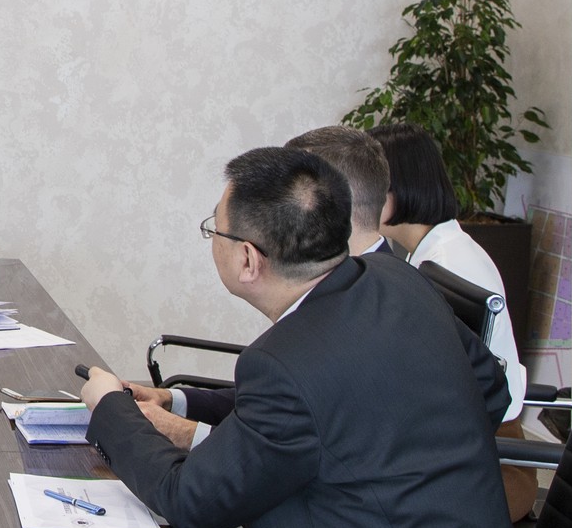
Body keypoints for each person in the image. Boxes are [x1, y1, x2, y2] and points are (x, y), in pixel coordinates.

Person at [80, 147, 544, 528]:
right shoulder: (396, 280)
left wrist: (108, 408)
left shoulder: (287, 362)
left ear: (248, 259)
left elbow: (189, 499)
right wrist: (182, 402)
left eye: (214, 229)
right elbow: (487, 390)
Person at [139, 125, 406, 447]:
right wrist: (177, 401)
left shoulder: (378, 312)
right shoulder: (368, 282)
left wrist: (175, 430)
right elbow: (286, 407)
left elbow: (299, 445)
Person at [371, 121, 535, 518]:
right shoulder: (430, 253)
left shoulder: (450, 265)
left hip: (494, 464)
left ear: (399, 188)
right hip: (466, 447)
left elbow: (438, 392)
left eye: (370, 185)